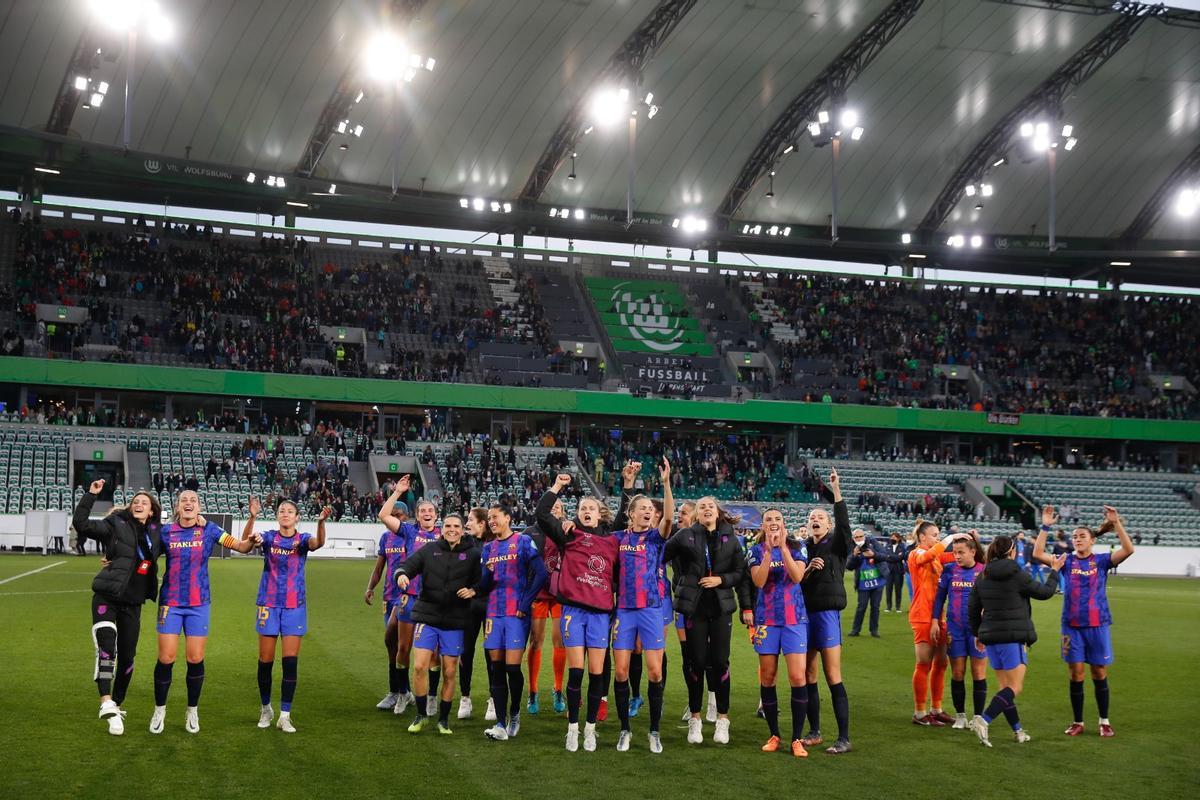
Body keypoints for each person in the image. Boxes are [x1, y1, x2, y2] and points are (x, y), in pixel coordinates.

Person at [152, 490, 256, 734]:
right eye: (184, 500)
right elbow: (142, 555)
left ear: (199, 507)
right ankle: (159, 710)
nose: (188, 503)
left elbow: (242, 547)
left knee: (195, 658)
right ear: (177, 507)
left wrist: (252, 519)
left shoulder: (210, 530)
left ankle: (192, 710)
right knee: (166, 658)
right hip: (170, 603)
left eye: (193, 500)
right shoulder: (166, 532)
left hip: (199, 603)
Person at [1031, 504, 1135, 737]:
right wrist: (1045, 526)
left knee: (1099, 672)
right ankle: (1078, 721)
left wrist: (1116, 523)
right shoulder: (1066, 561)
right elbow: (1038, 554)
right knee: (1076, 673)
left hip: (1098, 625)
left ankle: (1104, 721)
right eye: (1075, 537)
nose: (1077, 539)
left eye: (1082, 536)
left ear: (1092, 541)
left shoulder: (1102, 561)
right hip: (1072, 626)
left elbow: (1128, 549)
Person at [73, 479, 163, 736]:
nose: (139, 504)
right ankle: (105, 700)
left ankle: (116, 706)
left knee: (127, 658)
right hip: (107, 597)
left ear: (151, 511)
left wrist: (199, 521)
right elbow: (81, 524)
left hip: (133, 604)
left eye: (144, 502)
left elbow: (182, 536)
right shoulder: (115, 524)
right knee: (106, 647)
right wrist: (91, 495)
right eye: (136, 501)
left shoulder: (158, 532)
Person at [536, 474, 619, 753]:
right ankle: (573, 728)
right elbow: (542, 514)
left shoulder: (612, 540)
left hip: (600, 614)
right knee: (576, 673)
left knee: (597, 674)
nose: (586, 511)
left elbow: (625, 518)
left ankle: (590, 729)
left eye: (591, 508)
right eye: (583, 508)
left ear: (600, 514)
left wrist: (628, 484)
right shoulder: (568, 534)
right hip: (573, 611)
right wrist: (557, 486)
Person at [663, 494, 752, 746]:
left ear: (717, 511)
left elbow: (740, 573)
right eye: (702, 507)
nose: (706, 509)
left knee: (720, 662)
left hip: (721, 609)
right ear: (697, 514)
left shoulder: (731, 538)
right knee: (696, 663)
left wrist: (721, 580)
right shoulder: (685, 536)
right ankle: (695, 718)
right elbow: (660, 553)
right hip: (694, 609)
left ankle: (723, 719)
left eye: (710, 506)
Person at [967, 534, 1065, 747]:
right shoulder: (1016, 573)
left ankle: (1018, 731)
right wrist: (1055, 570)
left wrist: (978, 634)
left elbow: (972, 609)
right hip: (1012, 637)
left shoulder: (982, 575)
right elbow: (1045, 592)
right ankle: (984, 720)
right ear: (1012, 552)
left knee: (1005, 687)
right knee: (1014, 687)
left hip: (991, 638)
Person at [394, 514, 482, 735]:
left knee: (450, 672)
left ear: (462, 530)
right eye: (448, 526)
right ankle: (421, 715)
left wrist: (474, 590)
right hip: (427, 616)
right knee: (419, 666)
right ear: (442, 529)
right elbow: (407, 565)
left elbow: (482, 581)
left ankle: (443, 720)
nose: (452, 529)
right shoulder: (429, 549)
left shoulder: (473, 554)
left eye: (456, 526)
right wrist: (401, 575)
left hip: (455, 620)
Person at [246, 496, 329, 733]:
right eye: (282, 510)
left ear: (297, 517)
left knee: (290, 662)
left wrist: (321, 522)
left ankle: (285, 715)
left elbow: (317, 543)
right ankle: (265, 709)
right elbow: (248, 540)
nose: (285, 514)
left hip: (294, 605)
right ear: (277, 516)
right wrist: (252, 518)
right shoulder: (269, 537)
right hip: (268, 604)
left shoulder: (302, 539)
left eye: (290, 511)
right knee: (265, 662)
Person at [611, 458, 675, 753]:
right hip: (624, 611)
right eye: (643, 508)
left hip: (651, 610)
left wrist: (666, 483)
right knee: (621, 672)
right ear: (631, 513)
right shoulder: (617, 538)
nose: (649, 511)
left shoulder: (655, 538)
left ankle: (654, 731)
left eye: (651, 508)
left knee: (655, 672)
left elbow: (669, 518)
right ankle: (625, 730)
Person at [476, 505, 548, 741]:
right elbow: (485, 585)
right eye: (489, 518)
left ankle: (514, 714)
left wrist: (525, 603)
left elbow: (541, 574)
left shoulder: (523, 541)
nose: (491, 521)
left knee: (512, 668)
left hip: (516, 613)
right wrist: (486, 574)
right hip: (493, 613)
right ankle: (499, 723)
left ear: (507, 518)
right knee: (496, 667)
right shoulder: (488, 548)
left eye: (495, 517)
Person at [798, 469, 854, 754]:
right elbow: (793, 580)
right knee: (809, 674)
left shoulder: (837, 544)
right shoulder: (802, 549)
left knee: (833, 675)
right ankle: (815, 731)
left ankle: (844, 738)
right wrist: (807, 570)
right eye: (811, 518)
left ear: (829, 524)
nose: (815, 520)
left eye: (820, 517)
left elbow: (844, 527)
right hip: (804, 615)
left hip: (827, 615)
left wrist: (837, 492)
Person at [378, 476, 442, 717]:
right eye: (423, 510)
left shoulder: (445, 535)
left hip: (434, 600)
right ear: (417, 515)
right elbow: (384, 515)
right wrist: (397, 492)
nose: (427, 513)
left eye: (430, 510)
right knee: (403, 647)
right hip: (409, 598)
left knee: (433, 651)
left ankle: (432, 696)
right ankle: (404, 692)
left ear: (436, 515)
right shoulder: (409, 531)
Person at [748, 509, 809, 757]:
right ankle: (774, 735)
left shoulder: (797, 547)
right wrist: (768, 552)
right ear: (763, 525)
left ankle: (796, 739)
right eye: (769, 520)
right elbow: (759, 581)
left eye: (777, 519)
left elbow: (797, 576)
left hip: (794, 619)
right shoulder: (755, 550)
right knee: (768, 676)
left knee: (797, 676)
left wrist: (782, 548)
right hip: (767, 620)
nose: (773, 523)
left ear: (784, 524)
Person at [908, 520, 964, 727]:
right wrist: (950, 538)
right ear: (922, 537)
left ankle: (936, 709)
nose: (937, 538)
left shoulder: (936, 556)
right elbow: (930, 555)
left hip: (938, 616)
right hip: (922, 615)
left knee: (941, 663)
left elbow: (955, 556)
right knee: (924, 664)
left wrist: (968, 544)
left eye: (939, 535)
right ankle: (919, 712)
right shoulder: (916, 554)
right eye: (934, 534)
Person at [932, 532, 987, 729]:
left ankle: (978, 717)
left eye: (961, 552)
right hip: (954, 629)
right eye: (955, 552)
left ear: (973, 552)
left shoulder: (984, 572)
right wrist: (935, 621)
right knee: (957, 672)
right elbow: (939, 598)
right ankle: (961, 716)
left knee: (978, 672)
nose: (957, 556)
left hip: (978, 631)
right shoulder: (948, 570)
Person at [364, 496, 413, 713]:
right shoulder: (386, 538)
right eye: (391, 516)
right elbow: (379, 568)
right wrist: (370, 587)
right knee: (393, 646)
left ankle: (400, 692)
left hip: (407, 596)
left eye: (398, 515)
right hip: (388, 596)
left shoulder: (412, 536)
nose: (394, 519)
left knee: (397, 642)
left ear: (406, 517)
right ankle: (401, 691)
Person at [524, 496, 567, 716]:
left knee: (560, 641)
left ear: (562, 511)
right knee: (536, 641)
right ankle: (532, 691)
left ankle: (558, 690)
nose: (554, 510)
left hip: (560, 595)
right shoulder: (529, 533)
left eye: (558, 507)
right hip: (538, 593)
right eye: (551, 507)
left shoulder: (567, 530)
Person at [458, 507, 492, 720]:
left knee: (491, 653)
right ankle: (465, 697)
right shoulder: (463, 543)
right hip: (468, 605)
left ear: (482, 523)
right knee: (466, 651)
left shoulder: (495, 544)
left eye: (470, 519)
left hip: (490, 604)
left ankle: (493, 699)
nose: (467, 523)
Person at [846, 529, 886, 638]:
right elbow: (849, 566)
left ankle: (874, 630)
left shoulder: (873, 542)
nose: (859, 539)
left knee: (875, 607)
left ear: (864, 536)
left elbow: (885, 555)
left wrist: (873, 554)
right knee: (861, 607)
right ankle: (855, 630)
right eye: (856, 537)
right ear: (853, 538)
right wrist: (854, 555)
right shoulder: (852, 546)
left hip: (877, 581)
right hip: (863, 583)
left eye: (861, 536)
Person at [882, 532, 907, 612]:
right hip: (889, 571)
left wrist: (891, 556)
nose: (892, 538)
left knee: (898, 589)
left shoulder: (902, 547)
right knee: (888, 589)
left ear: (898, 539)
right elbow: (886, 557)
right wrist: (895, 557)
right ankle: (888, 607)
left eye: (894, 537)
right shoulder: (887, 546)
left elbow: (900, 557)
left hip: (898, 571)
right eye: (892, 537)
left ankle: (898, 607)